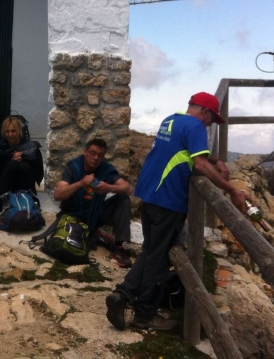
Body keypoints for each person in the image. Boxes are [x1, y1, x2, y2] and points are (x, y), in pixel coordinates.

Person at [106, 92, 248, 332]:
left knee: (151, 250)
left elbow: (188, 151)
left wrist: (215, 160)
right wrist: (232, 190)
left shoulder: (171, 120)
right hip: (168, 200)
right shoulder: (196, 126)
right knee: (159, 259)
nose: (210, 124)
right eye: (212, 119)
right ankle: (145, 315)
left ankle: (122, 294)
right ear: (204, 112)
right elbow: (199, 163)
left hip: (149, 195)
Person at [53, 138, 133, 267]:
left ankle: (118, 247)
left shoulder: (106, 169)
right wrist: (80, 183)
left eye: (100, 155)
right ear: (85, 152)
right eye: (93, 153)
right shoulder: (74, 167)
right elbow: (57, 195)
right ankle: (94, 234)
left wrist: (109, 187)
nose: (96, 158)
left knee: (123, 198)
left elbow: (128, 188)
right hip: (74, 215)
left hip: (95, 213)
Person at [0, 116, 44, 219]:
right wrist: (10, 157)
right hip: (7, 183)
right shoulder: (1, 146)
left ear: (19, 131)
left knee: (23, 165)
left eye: (13, 131)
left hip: (24, 183)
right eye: (7, 132)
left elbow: (37, 169)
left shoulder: (30, 146)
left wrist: (24, 158)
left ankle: (34, 204)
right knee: (12, 164)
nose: (10, 134)